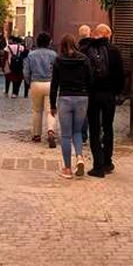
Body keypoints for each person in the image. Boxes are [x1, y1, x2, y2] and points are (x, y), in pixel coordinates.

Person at [81, 23, 124, 177]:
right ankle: (107, 162)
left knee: (94, 128)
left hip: (92, 95)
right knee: (108, 127)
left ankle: (97, 166)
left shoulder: (86, 50)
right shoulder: (114, 51)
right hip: (109, 95)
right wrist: (118, 93)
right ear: (107, 35)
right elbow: (120, 75)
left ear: (96, 34)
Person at [49, 33, 92, 179]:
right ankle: (79, 156)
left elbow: (54, 84)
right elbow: (90, 80)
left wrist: (52, 104)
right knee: (78, 132)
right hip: (82, 98)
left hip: (65, 98)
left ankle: (67, 168)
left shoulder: (58, 60)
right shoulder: (84, 59)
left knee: (66, 136)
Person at [23, 32, 58, 146]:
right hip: (50, 84)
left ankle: (36, 134)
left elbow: (26, 71)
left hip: (36, 83)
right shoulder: (54, 54)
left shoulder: (31, 55)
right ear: (49, 42)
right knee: (50, 110)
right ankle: (51, 131)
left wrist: (29, 82)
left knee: (36, 110)